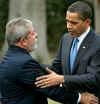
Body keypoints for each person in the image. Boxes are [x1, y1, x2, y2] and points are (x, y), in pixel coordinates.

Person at [0, 18, 98, 104]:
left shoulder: (8, 59)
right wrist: (80, 98)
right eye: (32, 33)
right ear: (23, 41)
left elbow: (33, 71)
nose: (36, 35)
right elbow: (51, 90)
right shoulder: (24, 63)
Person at [35, 1, 100, 104]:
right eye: (67, 21)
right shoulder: (65, 38)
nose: (68, 26)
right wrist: (31, 65)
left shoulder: (97, 43)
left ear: (87, 22)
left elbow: (94, 78)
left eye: (74, 23)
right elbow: (57, 68)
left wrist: (63, 79)